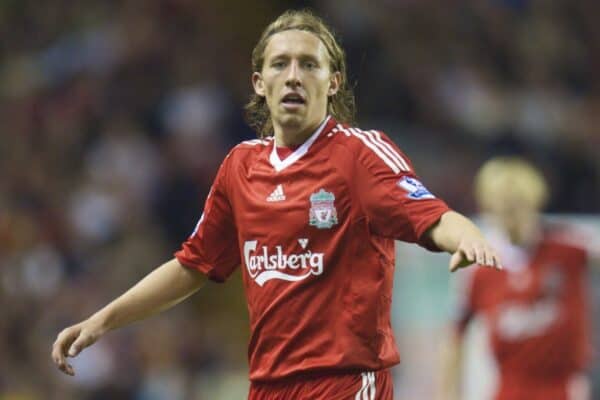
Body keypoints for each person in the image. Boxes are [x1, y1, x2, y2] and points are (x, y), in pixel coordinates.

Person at [52, 9, 501, 399]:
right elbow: (194, 264)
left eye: (309, 64)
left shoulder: (359, 155)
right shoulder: (240, 166)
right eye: (280, 64)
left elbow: (430, 214)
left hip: (344, 383)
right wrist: (103, 321)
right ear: (259, 82)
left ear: (333, 82)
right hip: (268, 386)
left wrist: (468, 235)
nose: (293, 75)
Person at [442, 157, 595, 400]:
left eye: (518, 206)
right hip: (509, 391)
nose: (511, 216)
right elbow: (455, 335)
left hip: (563, 389)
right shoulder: (481, 271)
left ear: (535, 203)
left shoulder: (569, 252)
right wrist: (449, 394)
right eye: (503, 207)